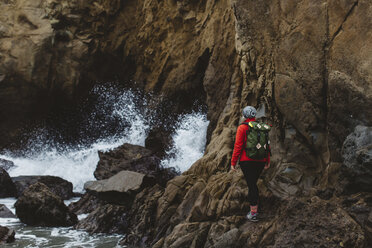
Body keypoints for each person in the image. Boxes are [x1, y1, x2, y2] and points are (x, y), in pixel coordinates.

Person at [231, 106, 270, 222]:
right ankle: (254, 209)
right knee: (253, 184)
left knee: (252, 185)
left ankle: (253, 213)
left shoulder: (242, 128)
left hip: (246, 161)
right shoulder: (261, 127)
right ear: (254, 115)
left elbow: (238, 146)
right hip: (261, 161)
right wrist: (267, 160)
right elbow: (267, 145)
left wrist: (233, 162)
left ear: (244, 116)